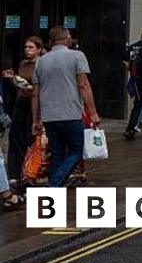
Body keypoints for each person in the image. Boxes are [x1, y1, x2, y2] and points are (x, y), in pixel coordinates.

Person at [31, 27, 100, 187]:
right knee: (76, 151)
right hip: (71, 114)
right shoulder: (77, 56)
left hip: (49, 116)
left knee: (58, 153)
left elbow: (35, 93)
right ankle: (54, 184)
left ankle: (55, 191)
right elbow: (83, 85)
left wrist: (36, 119)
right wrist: (93, 113)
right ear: (67, 38)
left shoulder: (41, 61)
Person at [5, 36, 42, 181]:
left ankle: (32, 170)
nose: (27, 50)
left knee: (32, 137)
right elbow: (20, 83)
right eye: (26, 47)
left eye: (31, 47)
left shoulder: (41, 64)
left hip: (35, 103)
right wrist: (13, 79)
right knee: (16, 136)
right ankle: (15, 173)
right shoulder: (23, 64)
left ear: (39, 49)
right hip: (21, 101)